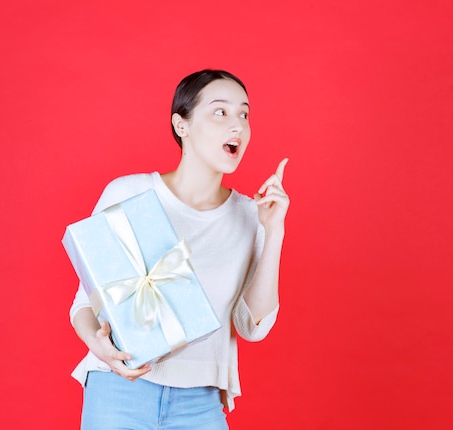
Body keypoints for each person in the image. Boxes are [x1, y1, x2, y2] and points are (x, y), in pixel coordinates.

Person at [69, 69, 290, 429]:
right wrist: (100, 346)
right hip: (119, 391)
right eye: (220, 112)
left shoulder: (252, 216)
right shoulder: (129, 194)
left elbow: (252, 328)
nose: (237, 125)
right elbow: (84, 301)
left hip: (200, 403)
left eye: (244, 114)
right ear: (181, 125)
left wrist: (274, 231)